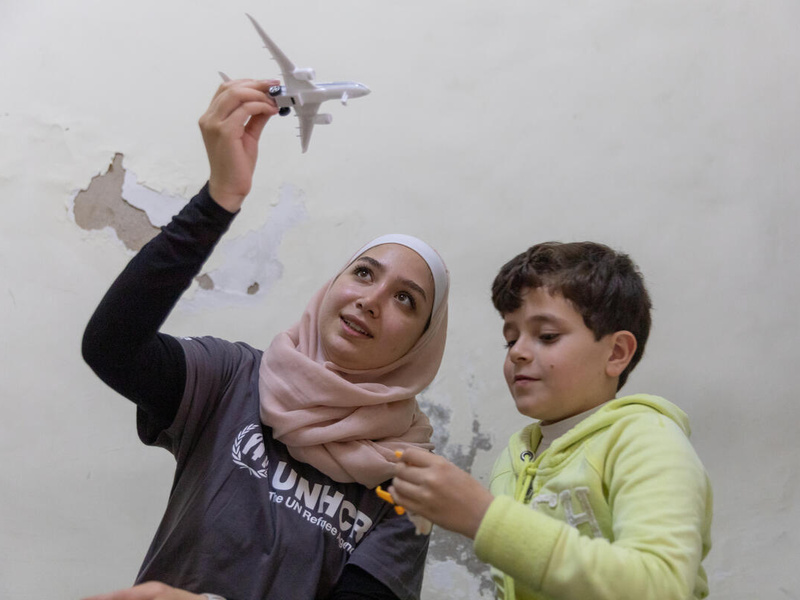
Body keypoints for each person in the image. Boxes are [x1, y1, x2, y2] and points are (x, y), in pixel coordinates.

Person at [81, 78, 449, 600]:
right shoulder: (234, 380)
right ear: (333, 286)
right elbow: (112, 347)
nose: (372, 299)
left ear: (422, 344)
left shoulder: (409, 481)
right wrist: (218, 199)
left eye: (406, 299)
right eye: (364, 273)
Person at [389, 241, 713, 600]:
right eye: (510, 339)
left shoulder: (647, 441)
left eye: (547, 336)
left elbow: (662, 587)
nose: (518, 353)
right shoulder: (513, 458)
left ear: (617, 353)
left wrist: (484, 517)